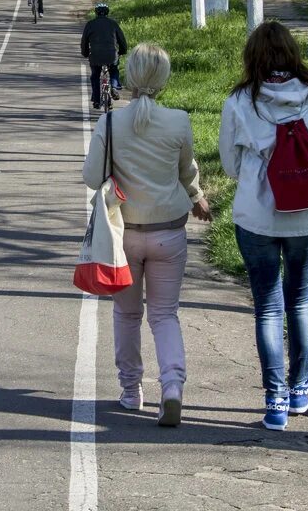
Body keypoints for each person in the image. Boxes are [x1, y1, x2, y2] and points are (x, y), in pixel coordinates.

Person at [82, 43, 211, 426]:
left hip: (123, 235)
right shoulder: (179, 121)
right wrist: (198, 197)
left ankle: (129, 390)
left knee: (126, 313)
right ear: (164, 78)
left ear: (131, 76)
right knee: (165, 314)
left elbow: (91, 177)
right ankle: (171, 386)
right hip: (168, 234)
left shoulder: (110, 123)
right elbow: (186, 171)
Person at [218, 21, 308, 432]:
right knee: (299, 298)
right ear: (292, 54)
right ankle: (302, 387)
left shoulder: (239, 101)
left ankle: (276, 400)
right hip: (307, 215)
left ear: (253, 57)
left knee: (268, 305)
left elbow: (230, 166)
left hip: (256, 217)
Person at [81, 2, 128, 109]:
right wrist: (122, 51)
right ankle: (114, 87)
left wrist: (85, 53)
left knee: (95, 76)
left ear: (96, 13)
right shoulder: (113, 24)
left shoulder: (90, 24)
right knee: (114, 70)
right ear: (107, 13)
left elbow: (84, 42)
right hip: (112, 55)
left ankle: (97, 100)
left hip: (95, 56)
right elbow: (122, 40)